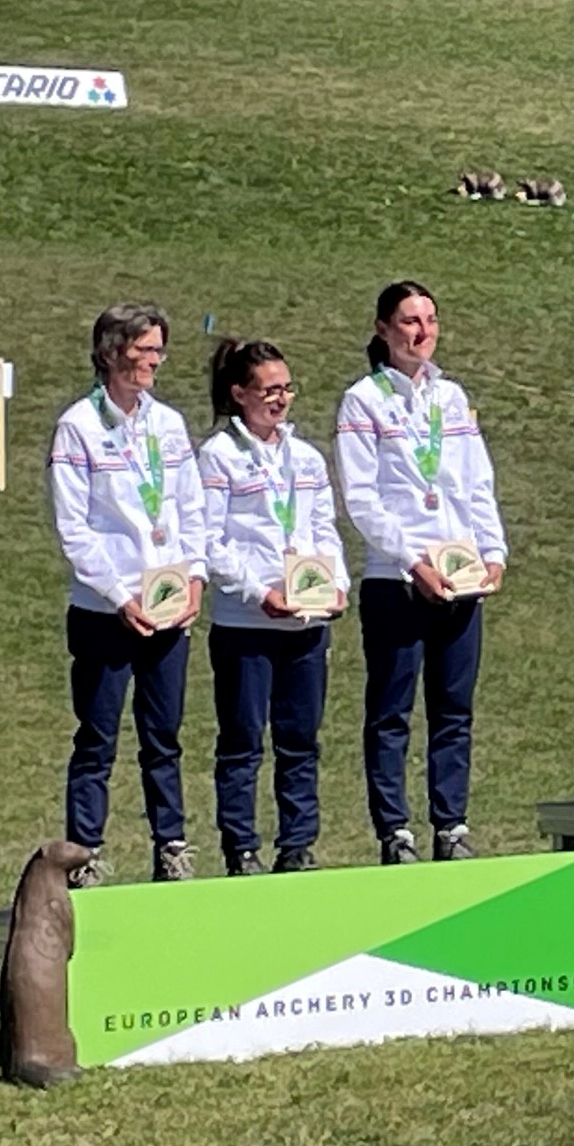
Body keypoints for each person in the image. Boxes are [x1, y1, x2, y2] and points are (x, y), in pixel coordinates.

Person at [337, 282, 507, 865]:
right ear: (383, 329)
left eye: (430, 319)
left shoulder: (453, 399)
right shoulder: (363, 401)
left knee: (454, 708)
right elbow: (362, 499)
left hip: (461, 577)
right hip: (397, 579)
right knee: (391, 710)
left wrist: (495, 553)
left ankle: (451, 822)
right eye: (409, 321)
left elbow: (477, 483)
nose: (422, 331)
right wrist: (412, 561)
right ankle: (394, 830)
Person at [47, 302, 207, 885]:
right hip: (104, 611)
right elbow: (75, 528)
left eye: (159, 351)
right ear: (112, 353)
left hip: (167, 606)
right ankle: (83, 855)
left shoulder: (167, 423)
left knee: (163, 737)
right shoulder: (79, 427)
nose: (154, 363)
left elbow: (192, 508)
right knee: (97, 737)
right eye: (144, 351)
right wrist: (120, 596)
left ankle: (172, 846)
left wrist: (193, 578)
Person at [198, 339, 349, 876]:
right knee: (242, 741)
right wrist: (259, 592)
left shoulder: (304, 456)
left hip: (306, 626)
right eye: (269, 390)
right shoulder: (218, 456)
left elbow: (322, 529)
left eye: (286, 388)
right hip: (247, 625)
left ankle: (297, 845)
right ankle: (241, 848)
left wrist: (337, 585)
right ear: (239, 394)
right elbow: (211, 542)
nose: (281, 399)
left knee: (301, 740)